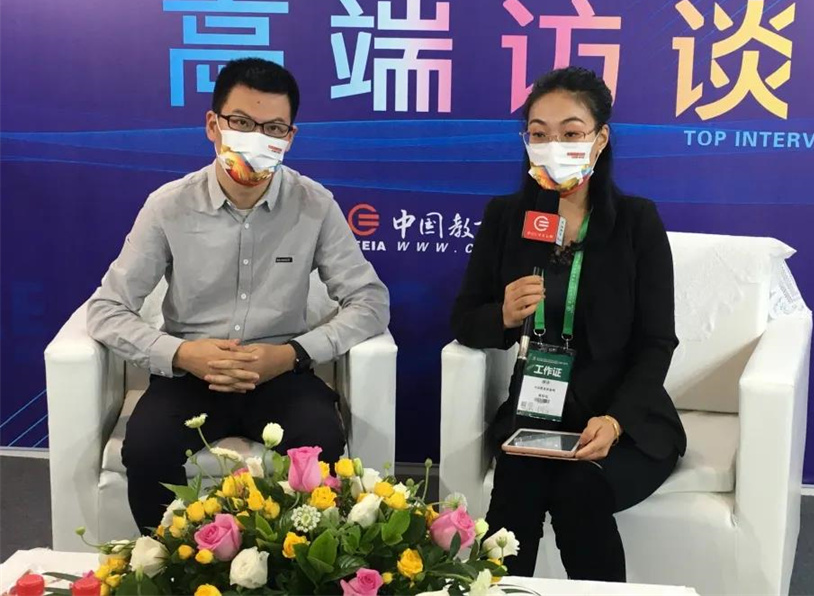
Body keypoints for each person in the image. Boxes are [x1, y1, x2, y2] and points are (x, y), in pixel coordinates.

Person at [87, 58, 390, 532]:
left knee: (321, 441)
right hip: (191, 373)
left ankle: (293, 564)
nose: (257, 138)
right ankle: (170, 562)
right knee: (147, 447)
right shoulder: (169, 206)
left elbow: (370, 301)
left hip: (281, 371)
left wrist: (292, 354)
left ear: (290, 137)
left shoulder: (314, 205)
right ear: (214, 125)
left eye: (273, 128)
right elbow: (107, 309)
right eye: (243, 123)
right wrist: (182, 353)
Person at [451, 66, 686, 581]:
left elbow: (657, 342)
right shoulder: (507, 217)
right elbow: (466, 320)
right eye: (539, 134)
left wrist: (616, 419)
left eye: (571, 133)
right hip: (537, 409)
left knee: (579, 491)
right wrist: (502, 315)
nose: (553, 146)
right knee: (514, 498)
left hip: (627, 420)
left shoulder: (637, 222)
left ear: (600, 139)